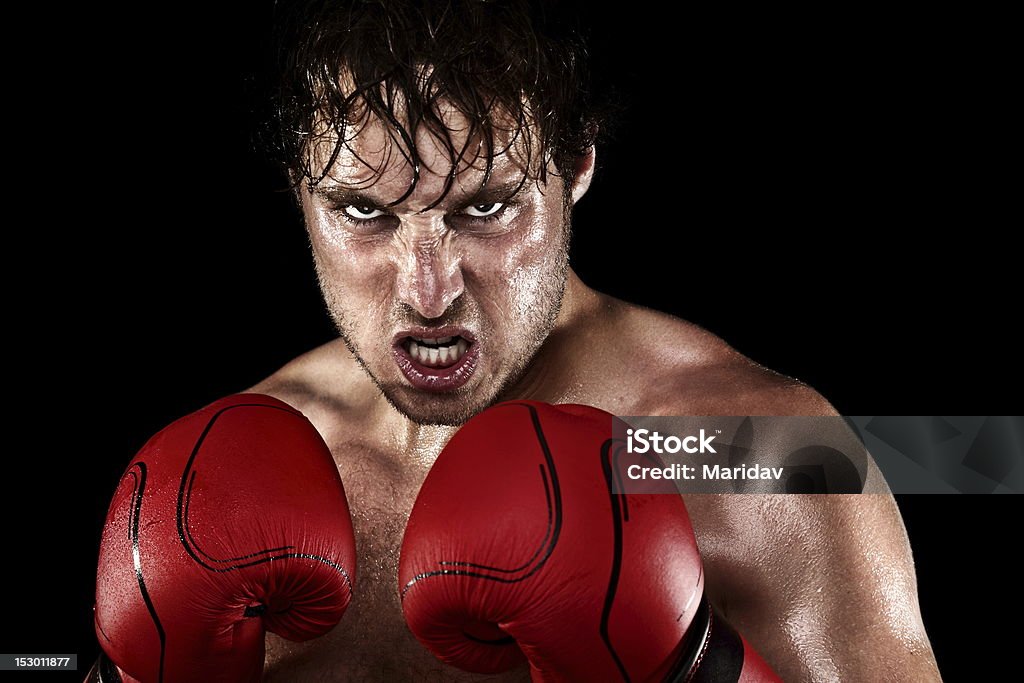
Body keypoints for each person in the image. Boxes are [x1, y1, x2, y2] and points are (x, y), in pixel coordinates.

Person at [91, 1, 941, 680]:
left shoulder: (762, 454)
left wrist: (695, 668)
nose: (428, 292)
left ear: (575, 166)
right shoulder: (224, 472)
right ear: (297, 189)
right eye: (363, 211)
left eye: (485, 207)